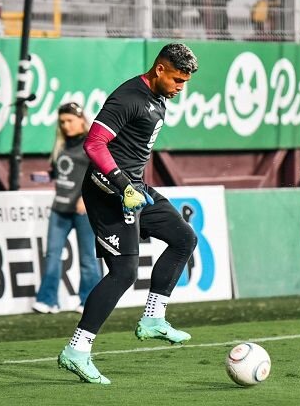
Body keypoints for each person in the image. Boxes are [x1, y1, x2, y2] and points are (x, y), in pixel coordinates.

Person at [57, 43, 199, 385]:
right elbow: (94, 144)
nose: (181, 87)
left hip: (133, 188)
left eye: (185, 82)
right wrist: (123, 185)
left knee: (184, 238)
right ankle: (77, 350)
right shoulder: (128, 97)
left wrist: (132, 186)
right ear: (160, 69)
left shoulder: (159, 96)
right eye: (177, 79)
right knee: (123, 273)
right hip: (109, 191)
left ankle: (153, 319)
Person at [32, 102, 102, 315]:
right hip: (59, 207)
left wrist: (87, 198)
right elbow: (59, 172)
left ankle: (90, 301)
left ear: (81, 120)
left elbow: (100, 173)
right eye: (62, 122)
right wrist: (46, 176)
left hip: (83, 210)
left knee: (87, 258)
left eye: (70, 120)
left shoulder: (91, 144)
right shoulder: (61, 145)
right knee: (52, 255)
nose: (66, 125)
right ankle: (48, 300)